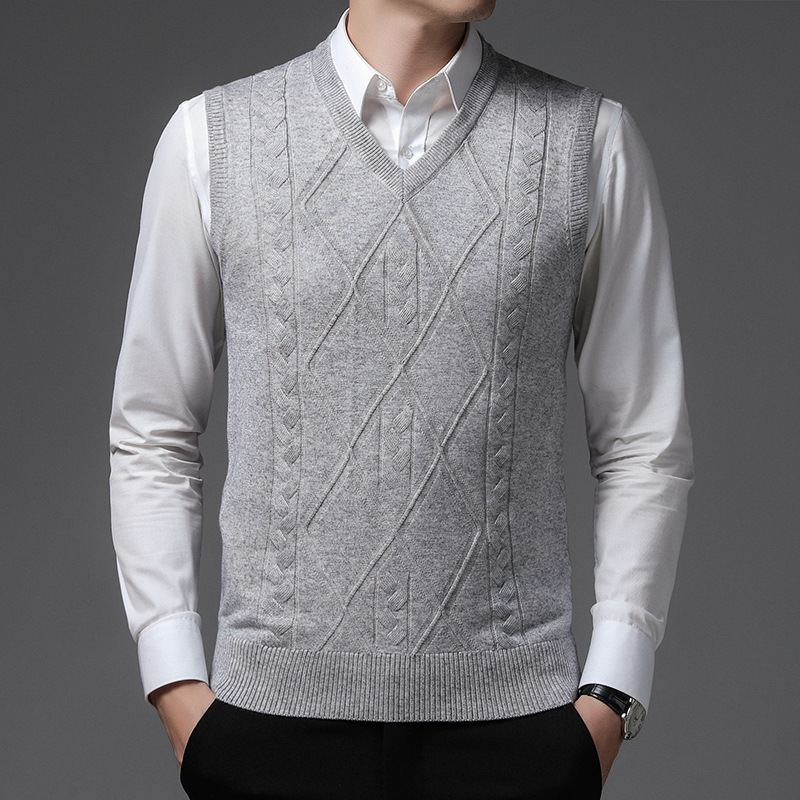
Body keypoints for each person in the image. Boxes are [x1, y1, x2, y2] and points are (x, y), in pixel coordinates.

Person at [108, 1, 694, 797]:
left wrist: (614, 695)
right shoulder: (213, 137)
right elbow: (153, 430)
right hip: (268, 729)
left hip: (516, 734)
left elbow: (643, 441)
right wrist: (176, 685)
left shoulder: (587, 141)